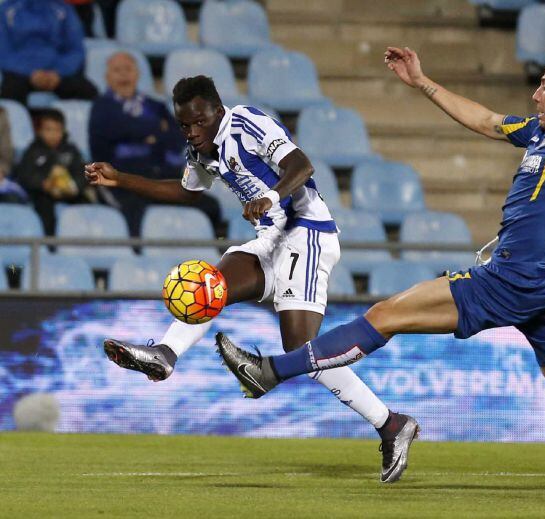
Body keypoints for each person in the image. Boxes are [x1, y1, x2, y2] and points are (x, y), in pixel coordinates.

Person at [216, 48, 545, 498]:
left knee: (386, 314)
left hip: (515, 278)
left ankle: (271, 373)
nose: (536, 94)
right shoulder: (540, 133)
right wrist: (422, 82)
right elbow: (486, 120)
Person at [85, 76, 419, 484]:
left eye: (198, 122)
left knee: (300, 349)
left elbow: (302, 165)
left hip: (306, 232)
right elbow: (190, 192)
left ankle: (390, 423)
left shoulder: (248, 123)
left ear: (217, 110)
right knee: (208, 287)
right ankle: (166, 355)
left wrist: (271, 197)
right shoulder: (200, 147)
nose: (192, 131)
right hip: (271, 239)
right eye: (184, 125)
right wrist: (121, 179)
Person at [88, 52, 221, 237]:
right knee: (136, 215)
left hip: (160, 178)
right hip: (122, 181)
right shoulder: (101, 107)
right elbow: (110, 136)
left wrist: (140, 135)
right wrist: (155, 130)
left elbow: (178, 137)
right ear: (107, 77)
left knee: (210, 206)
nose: (124, 75)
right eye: (117, 70)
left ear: (137, 74)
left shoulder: (155, 106)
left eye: (128, 69)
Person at [0, 0, 98, 106]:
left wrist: (57, 72)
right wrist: (31, 72)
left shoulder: (63, 8)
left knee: (88, 91)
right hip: (20, 73)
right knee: (11, 93)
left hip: (57, 73)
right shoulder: (5, 10)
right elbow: (4, 53)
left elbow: (76, 50)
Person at [15, 109, 91, 235]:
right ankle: (49, 244)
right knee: (44, 207)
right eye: (48, 130)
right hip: (43, 193)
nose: (53, 134)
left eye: (57, 130)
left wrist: (73, 186)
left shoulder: (71, 150)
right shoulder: (32, 151)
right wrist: (44, 184)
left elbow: (82, 173)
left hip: (68, 192)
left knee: (84, 203)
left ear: (63, 131)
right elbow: (25, 175)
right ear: (39, 131)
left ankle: (81, 239)